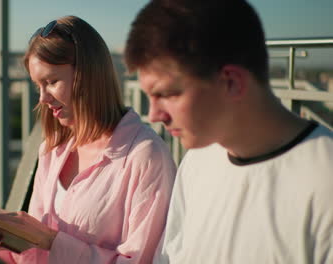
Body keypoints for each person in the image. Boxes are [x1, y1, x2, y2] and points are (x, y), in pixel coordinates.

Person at [124, 0, 333, 263]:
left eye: (166, 94)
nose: (154, 115)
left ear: (232, 83)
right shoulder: (198, 161)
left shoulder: (324, 182)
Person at [0, 15, 177, 263]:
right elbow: (35, 254)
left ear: (88, 75)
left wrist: (51, 240)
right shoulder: (52, 150)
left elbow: (142, 260)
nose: (42, 99)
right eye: (38, 86)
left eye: (51, 82)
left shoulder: (145, 156)